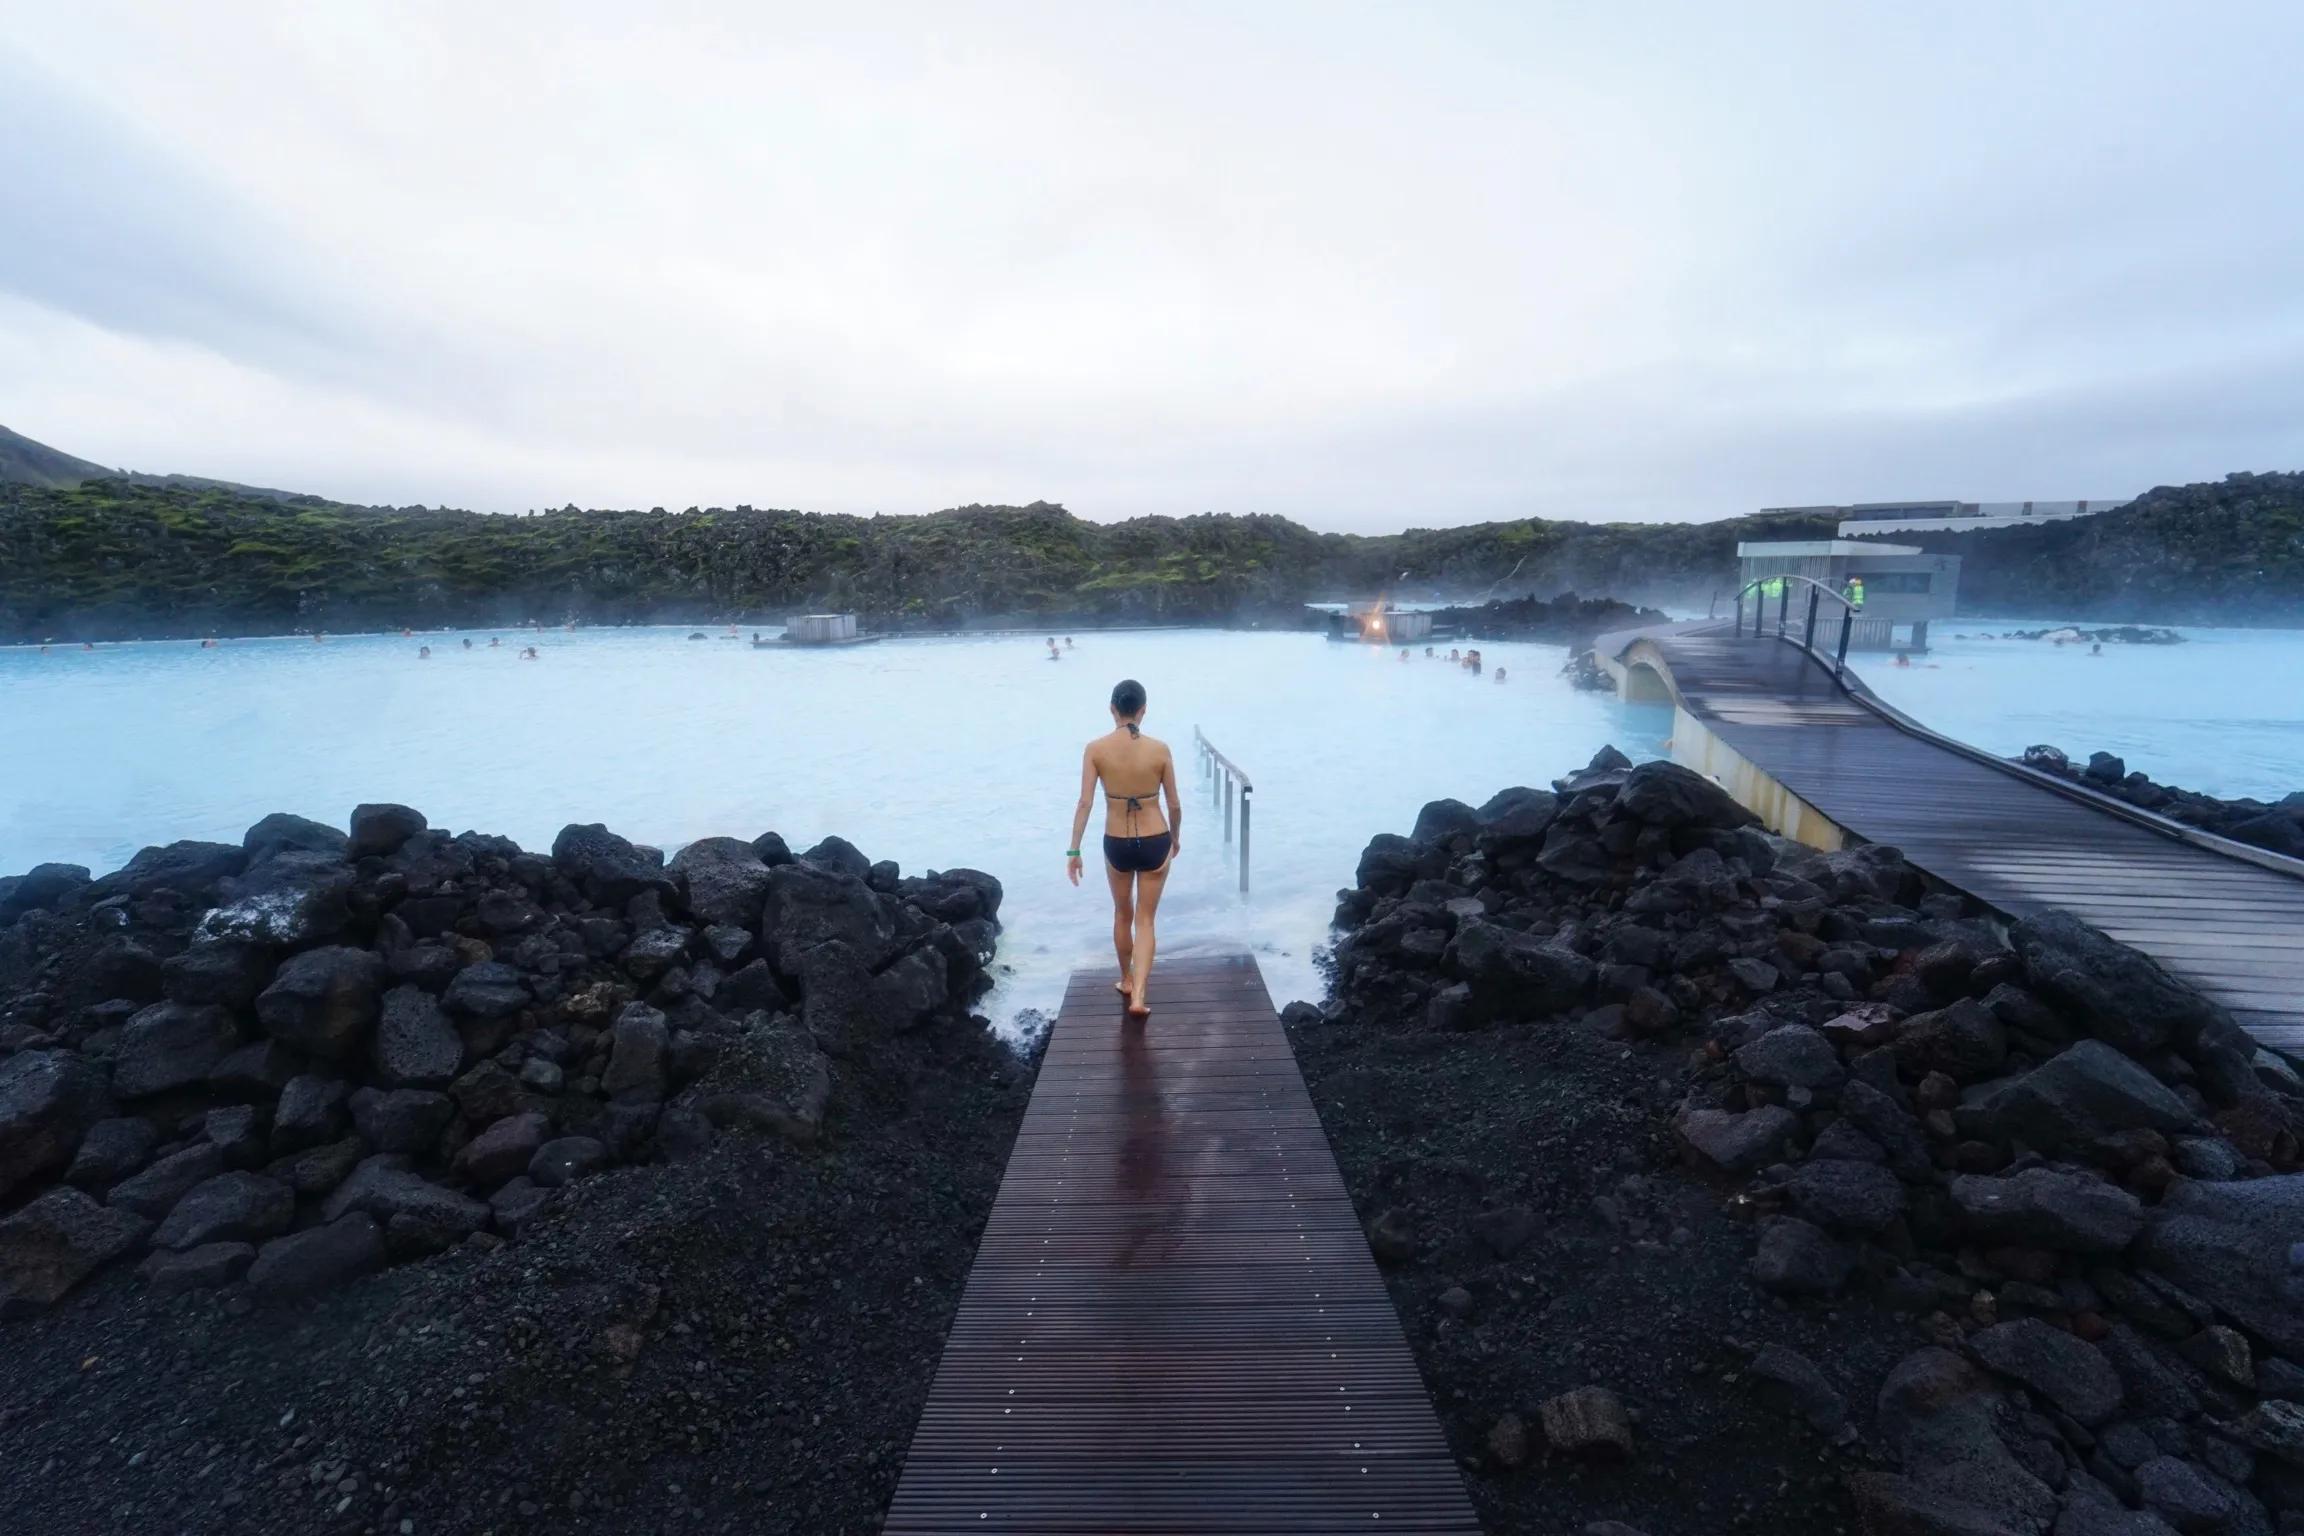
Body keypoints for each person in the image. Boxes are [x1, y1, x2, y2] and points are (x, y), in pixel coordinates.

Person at [1067, 678, 1180, 1019]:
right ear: (1143, 711)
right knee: (1146, 921)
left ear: (1112, 709)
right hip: (1155, 837)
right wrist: (1175, 838)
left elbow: (1084, 802)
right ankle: (1139, 998)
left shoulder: (1095, 749)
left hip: (1116, 842)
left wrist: (1073, 851)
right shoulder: (1160, 749)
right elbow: (1174, 804)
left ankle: (1126, 980)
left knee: (1122, 913)